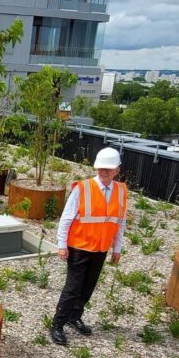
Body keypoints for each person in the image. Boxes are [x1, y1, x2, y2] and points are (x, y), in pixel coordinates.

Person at [50, 147, 127, 345]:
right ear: (96, 168)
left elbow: (120, 221)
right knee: (73, 288)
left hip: (100, 249)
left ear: (117, 170)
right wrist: (61, 244)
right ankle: (57, 324)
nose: (104, 172)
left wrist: (117, 248)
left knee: (87, 287)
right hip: (79, 247)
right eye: (101, 169)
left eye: (108, 169)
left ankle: (75, 317)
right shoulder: (82, 188)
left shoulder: (120, 191)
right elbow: (66, 219)